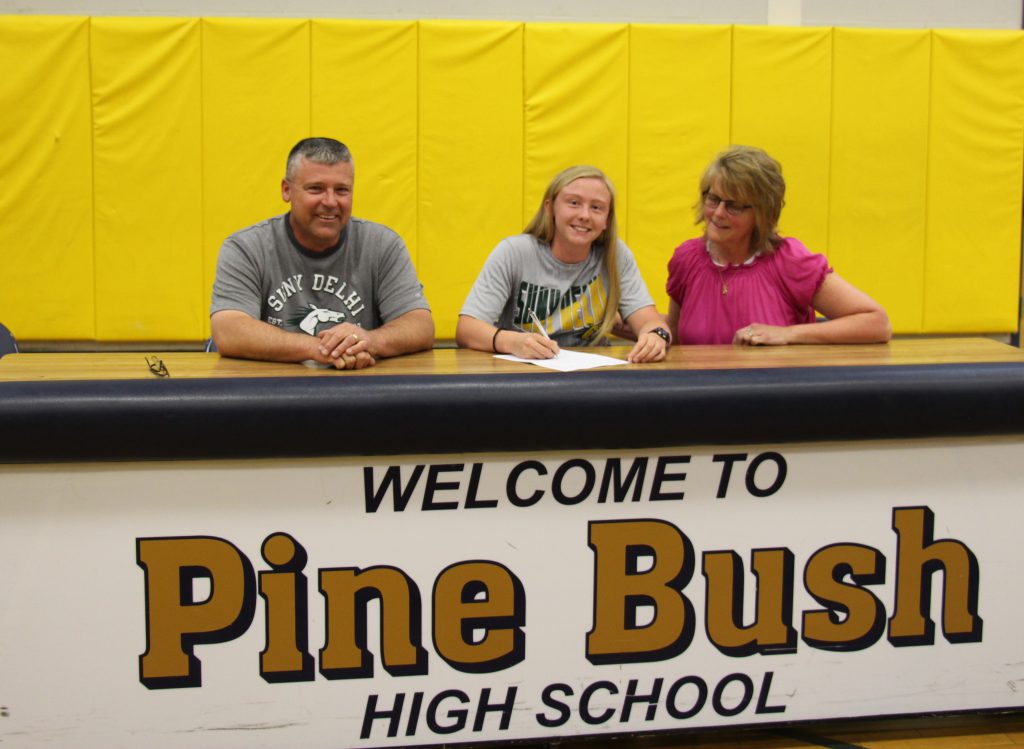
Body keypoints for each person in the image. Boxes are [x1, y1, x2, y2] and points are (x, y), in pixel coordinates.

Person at [210, 137, 434, 369]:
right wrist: (320, 349)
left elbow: (420, 326)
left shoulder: (383, 245)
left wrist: (370, 340)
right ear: (286, 190)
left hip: (356, 393)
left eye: (342, 190)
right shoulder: (245, 248)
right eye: (316, 189)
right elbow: (228, 331)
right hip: (271, 394)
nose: (330, 201)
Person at [667, 145, 891, 346]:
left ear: (763, 213)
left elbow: (876, 323)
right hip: (702, 390)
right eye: (713, 199)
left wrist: (787, 334)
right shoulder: (686, 259)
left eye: (734, 206)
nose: (718, 213)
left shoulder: (789, 260)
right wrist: (642, 324)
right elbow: (677, 337)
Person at [457, 165, 672, 363]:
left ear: (607, 220)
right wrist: (512, 342)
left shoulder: (616, 255)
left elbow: (651, 322)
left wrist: (655, 336)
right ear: (550, 208)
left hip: (593, 377)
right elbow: (467, 329)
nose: (585, 215)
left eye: (596, 208)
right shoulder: (514, 252)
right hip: (523, 373)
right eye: (574, 203)